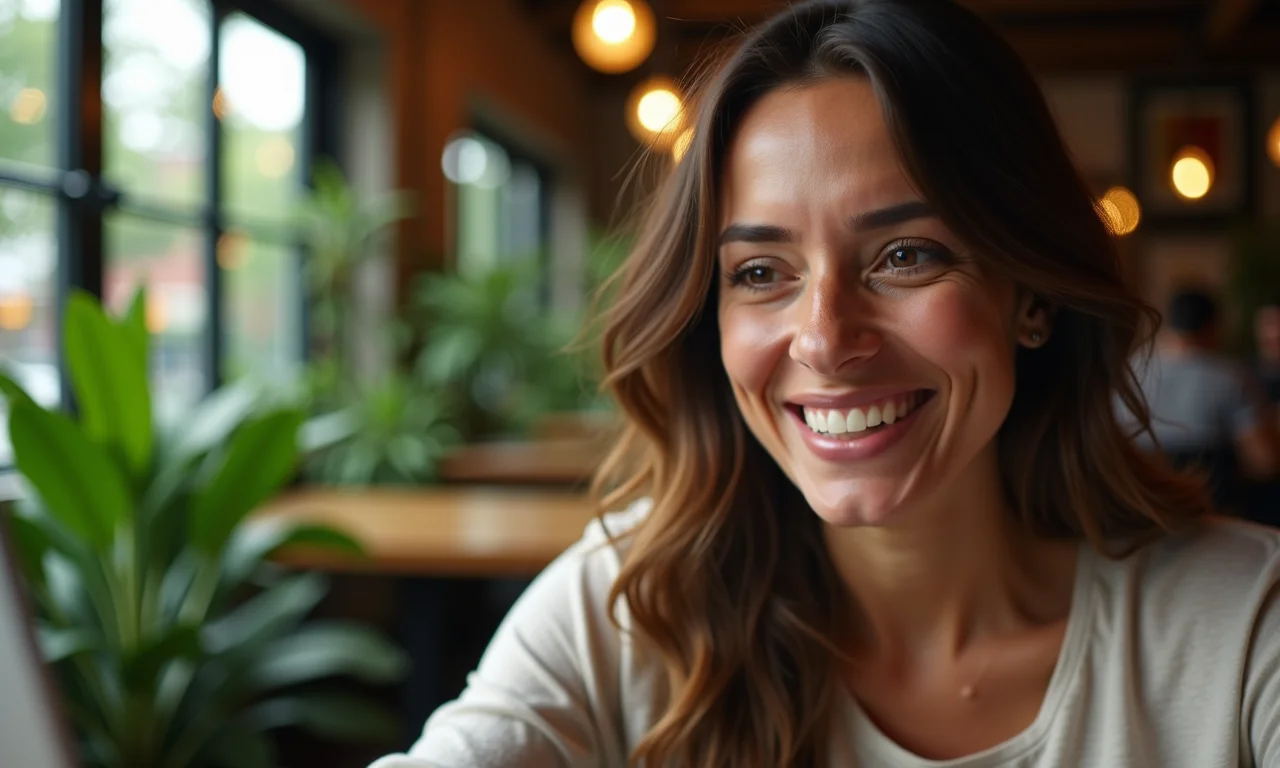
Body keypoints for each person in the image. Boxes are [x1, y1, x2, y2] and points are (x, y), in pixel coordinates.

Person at [371, 1, 1280, 765]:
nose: (826, 339)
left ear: (1030, 296)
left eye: (905, 255)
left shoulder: (1242, 632)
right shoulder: (623, 615)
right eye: (762, 272)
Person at [1126, 288, 1279, 512]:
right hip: (1213, 510)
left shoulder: (1129, 373)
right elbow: (1264, 462)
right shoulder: (1229, 377)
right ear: (1212, 328)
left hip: (1143, 507)